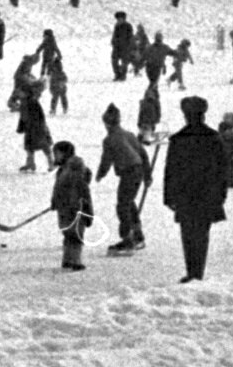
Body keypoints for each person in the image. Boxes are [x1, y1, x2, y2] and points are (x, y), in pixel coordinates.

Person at [163, 96, 227, 283]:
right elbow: (223, 169)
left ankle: (192, 271)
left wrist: (168, 197)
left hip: (185, 195)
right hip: (207, 194)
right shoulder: (214, 138)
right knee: (202, 234)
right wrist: (221, 195)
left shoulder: (179, 139)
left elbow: (170, 171)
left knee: (188, 234)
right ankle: (197, 272)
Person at [96, 103, 150, 255]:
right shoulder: (129, 134)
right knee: (129, 201)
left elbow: (106, 160)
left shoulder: (110, 139)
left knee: (122, 205)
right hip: (138, 171)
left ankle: (127, 239)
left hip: (129, 172)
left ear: (106, 123)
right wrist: (147, 175)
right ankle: (138, 235)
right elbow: (143, 154)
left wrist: (100, 174)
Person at [50, 141, 94, 272]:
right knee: (69, 234)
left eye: (57, 153)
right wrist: (55, 201)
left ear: (64, 153)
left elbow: (82, 191)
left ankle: (75, 261)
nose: (55, 157)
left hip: (75, 208)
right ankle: (68, 260)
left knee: (75, 235)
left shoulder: (74, 170)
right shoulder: (63, 169)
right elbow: (58, 188)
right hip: (65, 208)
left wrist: (84, 209)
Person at [16, 78, 54, 173]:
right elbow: (23, 116)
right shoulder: (25, 102)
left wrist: (39, 126)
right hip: (30, 128)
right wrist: (22, 126)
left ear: (26, 93)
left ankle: (51, 163)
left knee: (44, 146)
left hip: (37, 128)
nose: (19, 93)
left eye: (21, 92)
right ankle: (30, 163)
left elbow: (38, 115)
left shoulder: (31, 102)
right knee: (29, 147)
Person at [216, 112, 233, 192]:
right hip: (226, 152)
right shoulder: (225, 131)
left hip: (229, 152)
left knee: (231, 167)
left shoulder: (228, 130)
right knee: (228, 167)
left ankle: (229, 181)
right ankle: (227, 182)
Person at [110, 11, 136, 82]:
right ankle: (117, 74)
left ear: (124, 19)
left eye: (120, 18)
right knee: (114, 61)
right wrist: (113, 41)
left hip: (125, 47)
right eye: (118, 19)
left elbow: (131, 37)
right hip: (116, 47)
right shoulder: (116, 26)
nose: (119, 20)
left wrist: (130, 47)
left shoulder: (128, 26)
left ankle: (123, 75)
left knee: (124, 63)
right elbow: (114, 35)